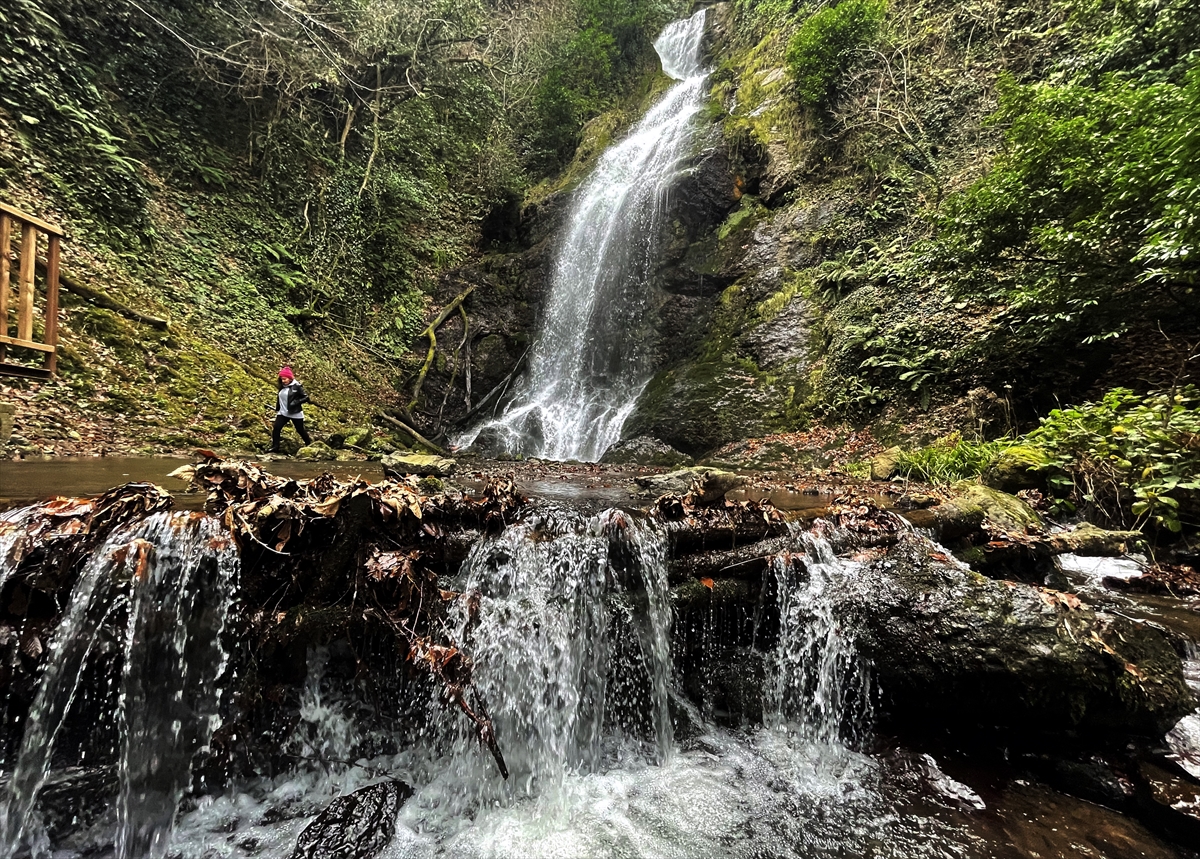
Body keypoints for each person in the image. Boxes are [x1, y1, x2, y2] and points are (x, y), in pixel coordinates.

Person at [268, 366, 313, 453]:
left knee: (300, 429)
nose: (283, 381)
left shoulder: (297, 386)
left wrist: (295, 402)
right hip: (283, 412)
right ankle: (275, 447)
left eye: (285, 379)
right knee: (276, 428)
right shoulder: (282, 386)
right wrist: (278, 408)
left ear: (290, 378)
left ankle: (309, 444)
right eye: (282, 379)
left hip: (295, 412)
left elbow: (306, 397)